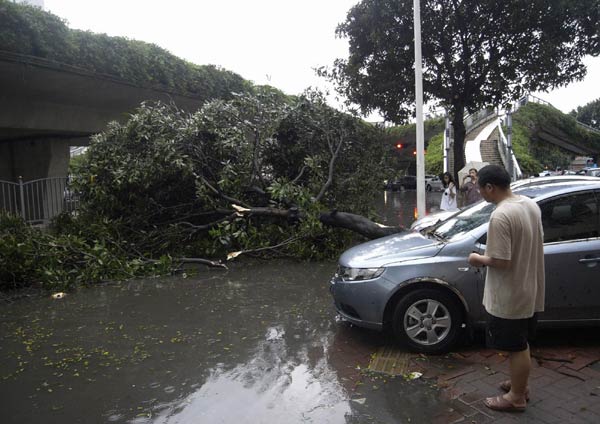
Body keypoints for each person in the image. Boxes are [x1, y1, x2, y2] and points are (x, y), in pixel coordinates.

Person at [467, 164, 545, 413]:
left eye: (480, 188)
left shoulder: (500, 215)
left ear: (490, 187)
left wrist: (476, 258)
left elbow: (501, 261)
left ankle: (516, 397)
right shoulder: (529, 204)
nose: (480, 193)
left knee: (515, 346)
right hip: (529, 287)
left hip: (510, 293)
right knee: (520, 342)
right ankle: (519, 384)